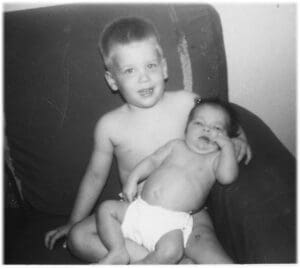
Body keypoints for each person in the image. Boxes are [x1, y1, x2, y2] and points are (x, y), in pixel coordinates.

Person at [45, 16, 251, 264]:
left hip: (189, 214)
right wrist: (73, 221)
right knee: (79, 238)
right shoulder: (109, 126)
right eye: (130, 70)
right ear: (112, 80)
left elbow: (223, 117)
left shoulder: (188, 102)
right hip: (135, 212)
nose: (143, 78)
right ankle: (160, 261)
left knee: (214, 256)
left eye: (150, 66)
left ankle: (168, 259)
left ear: (163, 68)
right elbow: (95, 176)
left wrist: (239, 137)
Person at [96, 98, 240, 264]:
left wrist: (228, 148)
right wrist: (133, 179)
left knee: (173, 251)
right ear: (186, 128)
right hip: (140, 208)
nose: (206, 129)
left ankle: (144, 264)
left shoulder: (215, 159)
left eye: (217, 128)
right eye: (199, 123)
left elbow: (227, 177)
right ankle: (117, 251)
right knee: (105, 209)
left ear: (226, 137)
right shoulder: (176, 146)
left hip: (170, 223)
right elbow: (152, 160)